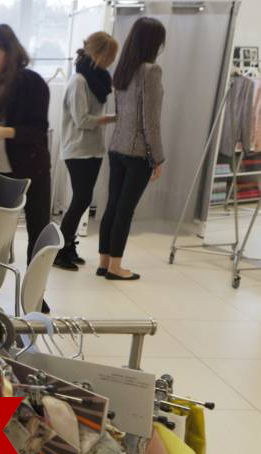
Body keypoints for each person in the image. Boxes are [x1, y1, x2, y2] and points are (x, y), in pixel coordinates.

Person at [0, 24, 52, 262]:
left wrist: (8, 132)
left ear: (10, 53)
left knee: (37, 229)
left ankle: (35, 285)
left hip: (31, 169)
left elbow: (39, 130)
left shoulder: (32, 83)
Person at [98, 17, 166, 280]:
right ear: (153, 42)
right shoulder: (151, 71)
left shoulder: (123, 69)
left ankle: (104, 262)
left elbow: (123, 114)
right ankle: (116, 267)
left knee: (113, 205)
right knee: (125, 210)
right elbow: (150, 120)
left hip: (117, 147)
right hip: (137, 153)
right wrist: (157, 158)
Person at [54, 31, 120, 271]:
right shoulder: (79, 81)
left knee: (83, 199)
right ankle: (60, 251)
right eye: (109, 56)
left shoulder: (97, 79)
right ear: (97, 53)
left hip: (92, 148)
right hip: (77, 149)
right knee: (81, 199)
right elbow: (82, 119)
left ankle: (68, 246)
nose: (111, 61)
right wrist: (114, 118)